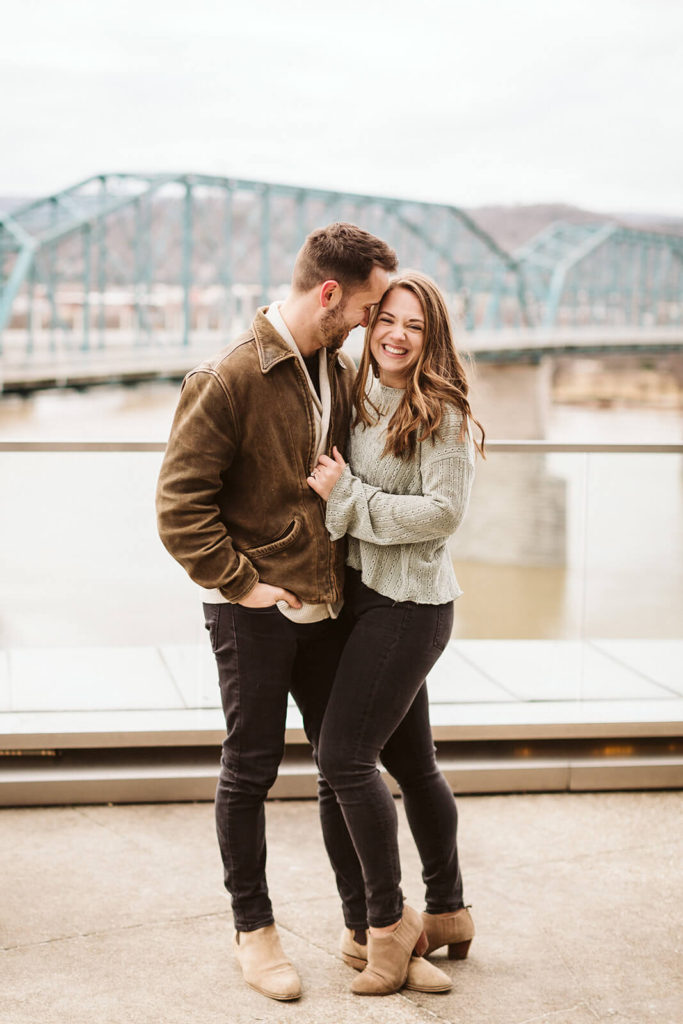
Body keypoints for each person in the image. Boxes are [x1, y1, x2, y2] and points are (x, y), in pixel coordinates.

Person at [155, 223, 398, 1001]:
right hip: (256, 612)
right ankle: (252, 932)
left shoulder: (330, 363)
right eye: (363, 307)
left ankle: (364, 931)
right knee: (249, 770)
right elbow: (178, 507)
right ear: (328, 294)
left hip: (327, 606)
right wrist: (240, 584)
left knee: (341, 769)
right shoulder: (228, 378)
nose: (368, 322)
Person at [307, 270, 485, 996]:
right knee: (413, 766)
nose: (397, 335)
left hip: (409, 606)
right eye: (386, 318)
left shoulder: (438, 410)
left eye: (413, 325)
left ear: (430, 335)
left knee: (342, 759)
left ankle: (383, 929)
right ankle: (447, 912)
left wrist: (347, 499)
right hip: (359, 601)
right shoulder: (350, 391)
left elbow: (441, 515)